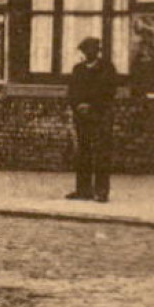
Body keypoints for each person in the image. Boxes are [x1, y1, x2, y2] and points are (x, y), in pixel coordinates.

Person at [66, 36, 118, 203]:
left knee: (102, 153)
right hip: (82, 117)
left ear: (97, 51)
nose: (88, 53)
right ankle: (83, 190)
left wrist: (92, 106)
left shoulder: (107, 69)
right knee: (83, 152)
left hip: (101, 115)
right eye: (85, 50)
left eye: (92, 50)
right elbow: (72, 92)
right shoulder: (78, 69)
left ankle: (102, 191)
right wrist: (78, 105)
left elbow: (108, 91)